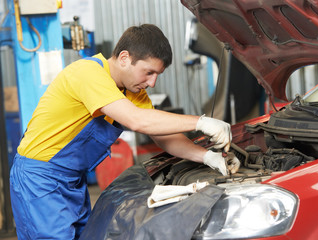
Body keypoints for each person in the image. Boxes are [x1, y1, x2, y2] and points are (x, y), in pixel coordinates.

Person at [9, 24, 240, 239]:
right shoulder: (87, 74)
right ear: (124, 58)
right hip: (39, 179)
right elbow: (137, 120)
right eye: (148, 72)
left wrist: (207, 156)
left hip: (71, 181)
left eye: (157, 75)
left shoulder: (132, 92)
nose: (152, 83)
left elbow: (164, 137)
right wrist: (200, 122)